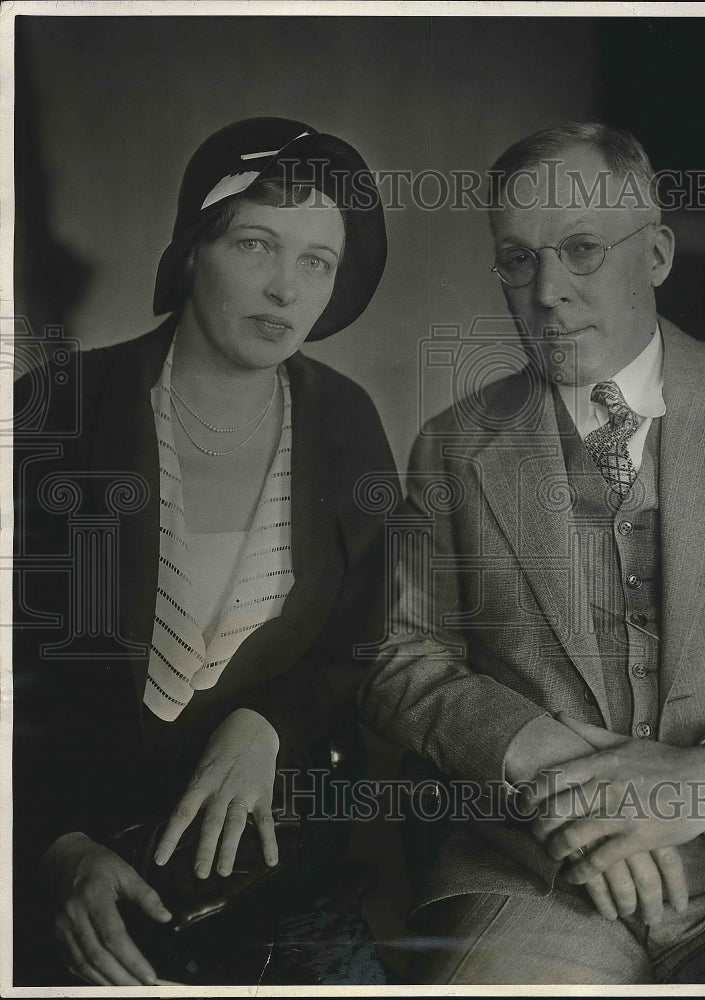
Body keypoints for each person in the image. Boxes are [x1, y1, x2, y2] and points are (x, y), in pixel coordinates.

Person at [359, 122, 705, 984]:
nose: (546, 290)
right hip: (537, 872)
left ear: (655, 254)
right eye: (517, 260)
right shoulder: (453, 443)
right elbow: (400, 658)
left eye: (581, 249)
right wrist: (550, 767)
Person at [13, 116, 396, 986]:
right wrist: (50, 849)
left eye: (315, 262)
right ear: (192, 251)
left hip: (288, 899)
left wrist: (270, 723)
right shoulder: (56, 409)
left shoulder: (345, 425)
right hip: (82, 904)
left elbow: (360, 636)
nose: (284, 289)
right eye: (256, 244)